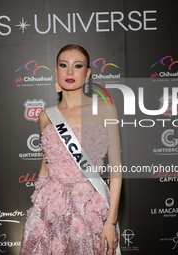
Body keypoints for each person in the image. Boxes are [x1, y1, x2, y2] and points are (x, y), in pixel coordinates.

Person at [20, 44, 122, 255]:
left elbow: (116, 170)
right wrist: (37, 210)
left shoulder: (105, 109)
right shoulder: (45, 116)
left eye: (77, 66)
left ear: (87, 73)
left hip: (89, 207)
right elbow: (46, 164)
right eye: (63, 65)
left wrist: (111, 222)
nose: (69, 72)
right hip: (49, 208)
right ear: (56, 70)